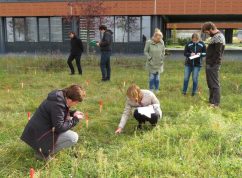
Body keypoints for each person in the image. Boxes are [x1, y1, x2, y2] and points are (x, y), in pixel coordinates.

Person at [21, 85, 86, 160]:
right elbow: (60, 127)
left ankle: (42, 148)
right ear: (70, 100)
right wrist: (75, 120)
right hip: (40, 134)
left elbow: (58, 113)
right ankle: (42, 154)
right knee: (73, 137)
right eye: (76, 102)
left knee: (68, 121)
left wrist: (72, 113)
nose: (76, 104)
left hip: (36, 133)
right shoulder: (58, 104)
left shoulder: (60, 97)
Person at [202, 22, 225, 107]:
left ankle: (215, 103)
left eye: (207, 32)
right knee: (210, 83)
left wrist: (211, 64)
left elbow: (218, 53)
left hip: (213, 65)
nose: (207, 34)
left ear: (211, 29)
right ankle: (211, 101)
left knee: (214, 84)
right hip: (210, 64)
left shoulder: (218, 37)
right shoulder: (215, 37)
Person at [144, 28, 165, 93]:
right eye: (158, 39)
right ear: (154, 37)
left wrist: (162, 57)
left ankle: (156, 89)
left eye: (160, 39)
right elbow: (145, 51)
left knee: (157, 78)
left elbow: (163, 51)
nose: (159, 40)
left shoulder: (162, 42)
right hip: (151, 63)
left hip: (159, 63)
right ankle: (151, 89)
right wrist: (149, 58)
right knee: (152, 77)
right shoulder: (148, 42)